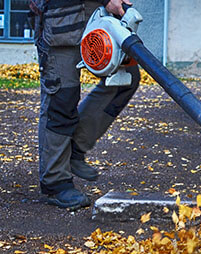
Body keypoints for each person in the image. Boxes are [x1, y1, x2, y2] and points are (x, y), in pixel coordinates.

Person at [33, 0, 137, 209]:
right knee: (61, 98)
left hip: (98, 19)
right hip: (60, 20)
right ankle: (56, 182)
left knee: (125, 80)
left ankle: (74, 148)